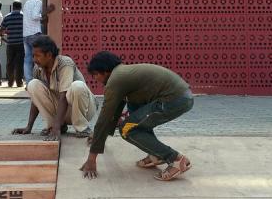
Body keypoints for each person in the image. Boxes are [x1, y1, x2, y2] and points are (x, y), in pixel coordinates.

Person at [80, 51, 193, 182]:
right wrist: (99, 136)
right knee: (134, 109)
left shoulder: (115, 80)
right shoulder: (123, 74)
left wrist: (91, 159)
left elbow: (104, 118)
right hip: (180, 96)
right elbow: (113, 113)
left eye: (95, 75)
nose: (95, 79)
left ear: (105, 71)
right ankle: (156, 155)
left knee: (127, 129)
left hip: (174, 99)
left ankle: (176, 160)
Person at [12, 36, 96, 141]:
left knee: (77, 86)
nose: (34, 59)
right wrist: (29, 126)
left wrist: (57, 127)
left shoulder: (65, 63)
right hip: (62, 112)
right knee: (33, 84)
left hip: (83, 110)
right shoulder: (38, 69)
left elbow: (63, 97)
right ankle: (53, 126)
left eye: (37, 56)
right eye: (33, 56)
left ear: (49, 55)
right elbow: (35, 99)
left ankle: (82, 128)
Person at [23, 0, 55, 83]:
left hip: (26, 35)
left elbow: (30, 18)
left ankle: (29, 82)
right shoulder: (38, 2)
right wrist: (47, 12)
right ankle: (38, 81)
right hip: (34, 34)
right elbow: (35, 16)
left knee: (28, 59)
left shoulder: (27, 3)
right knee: (39, 57)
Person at [1, 0, 25, 87]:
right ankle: (19, 82)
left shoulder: (7, 17)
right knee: (20, 63)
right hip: (21, 44)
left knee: (10, 63)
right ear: (21, 7)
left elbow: (2, 31)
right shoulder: (24, 16)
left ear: (13, 7)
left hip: (10, 44)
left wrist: (5, 37)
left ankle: (10, 82)